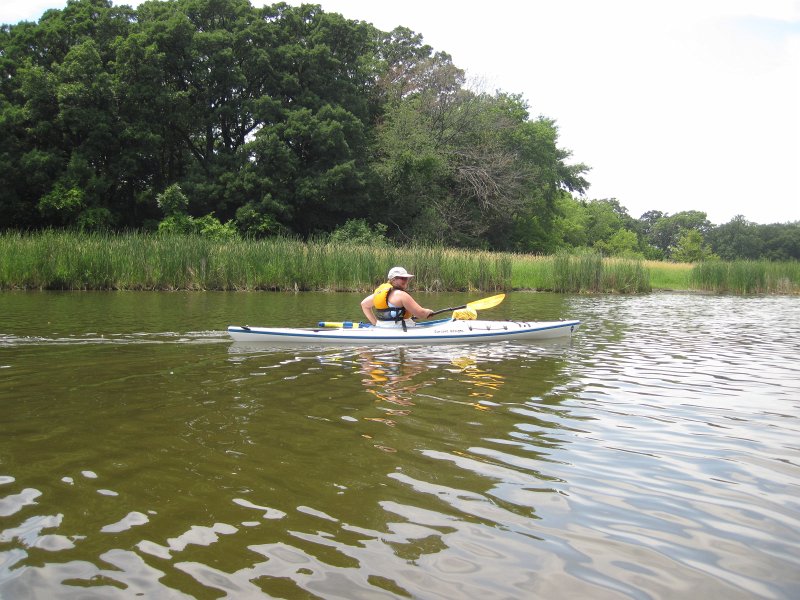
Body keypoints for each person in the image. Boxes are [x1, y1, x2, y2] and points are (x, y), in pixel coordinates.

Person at [361, 267, 434, 327]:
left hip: (382, 328)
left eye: (406, 278)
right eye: (402, 278)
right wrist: (428, 312)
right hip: (401, 329)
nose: (406, 281)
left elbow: (364, 305)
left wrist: (376, 324)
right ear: (393, 279)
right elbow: (421, 313)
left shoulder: (379, 294)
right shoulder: (401, 295)